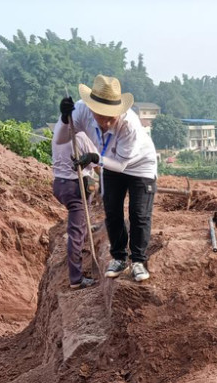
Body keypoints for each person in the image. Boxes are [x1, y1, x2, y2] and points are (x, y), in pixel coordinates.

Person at [55, 74, 157, 283]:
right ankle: (119, 257)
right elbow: (61, 138)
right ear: (92, 109)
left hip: (139, 166)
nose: (108, 121)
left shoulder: (130, 125)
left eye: (113, 116)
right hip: (108, 160)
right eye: (103, 116)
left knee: (139, 213)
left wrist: (94, 158)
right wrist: (64, 119)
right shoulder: (81, 111)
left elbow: (121, 165)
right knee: (112, 211)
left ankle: (138, 261)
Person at [51, 124, 99, 289]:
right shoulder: (81, 137)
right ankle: (76, 279)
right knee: (75, 233)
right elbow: (98, 165)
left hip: (59, 184)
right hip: (75, 186)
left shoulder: (58, 134)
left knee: (80, 220)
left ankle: (84, 229)